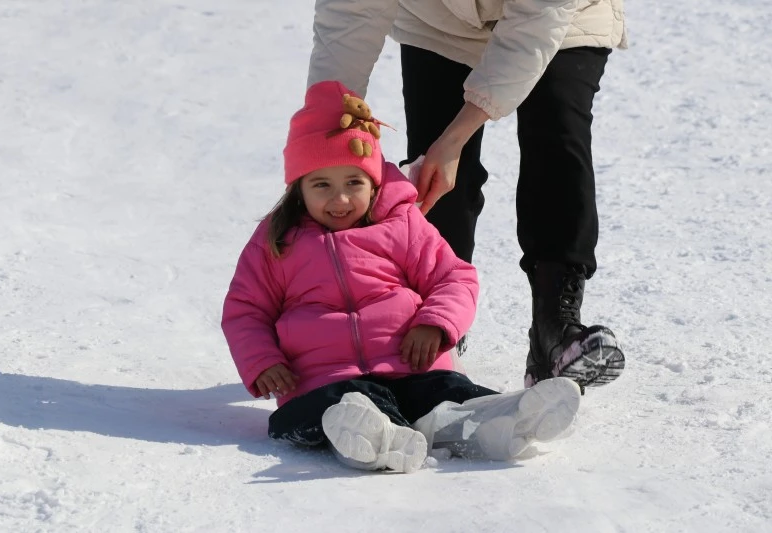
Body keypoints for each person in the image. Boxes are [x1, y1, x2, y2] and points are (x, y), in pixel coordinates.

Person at [221, 80, 582, 473]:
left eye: (354, 183)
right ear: (299, 189)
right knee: (338, 407)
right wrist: (262, 361)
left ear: (374, 182)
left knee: (448, 394)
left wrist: (434, 324)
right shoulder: (277, 242)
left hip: (412, 366)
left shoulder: (400, 223)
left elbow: (453, 277)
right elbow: (246, 310)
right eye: (321, 185)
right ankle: (375, 437)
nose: (340, 199)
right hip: (325, 378)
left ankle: (504, 420)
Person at [307, 0, 628, 391]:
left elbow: (534, 28)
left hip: (562, 22)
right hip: (439, 22)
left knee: (557, 133)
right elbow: (350, 15)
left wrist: (456, 139)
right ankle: (439, 325)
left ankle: (555, 328)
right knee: (434, 177)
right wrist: (323, 137)